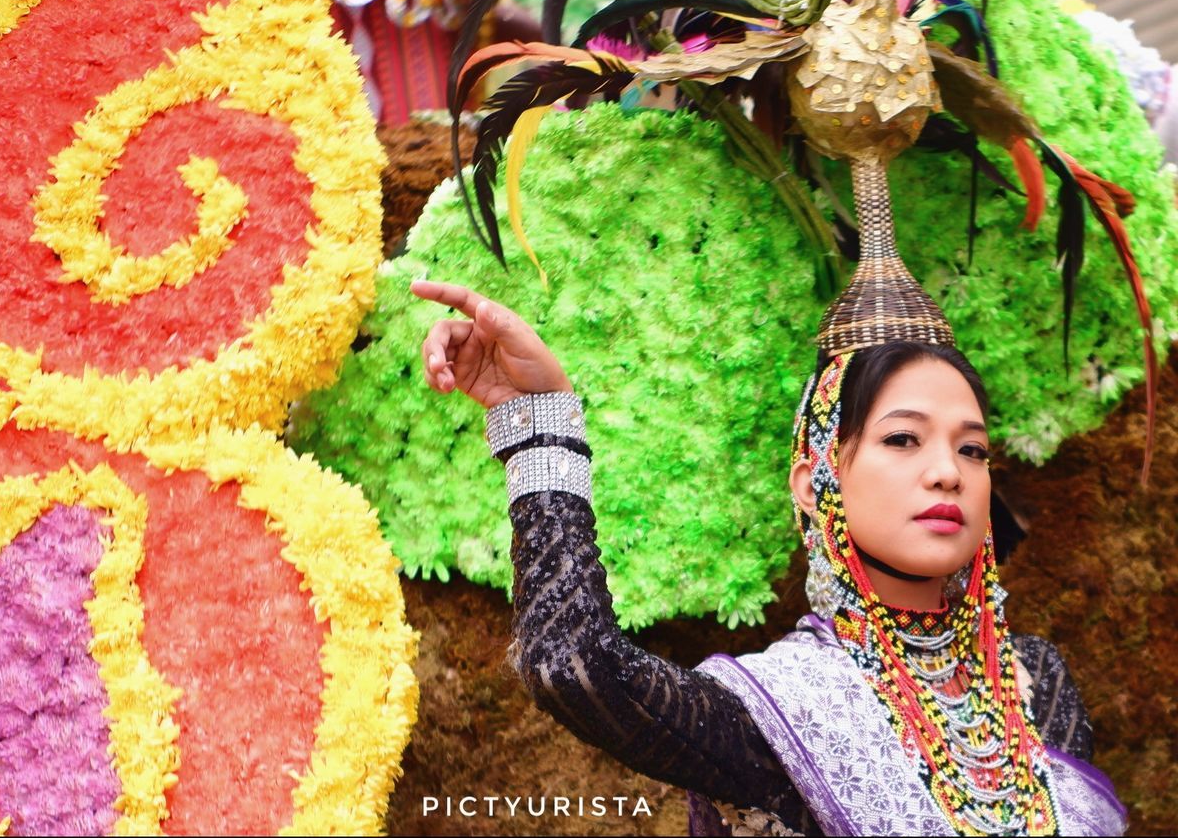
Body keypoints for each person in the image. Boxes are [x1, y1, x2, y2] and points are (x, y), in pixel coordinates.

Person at [408, 271, 1128, 835]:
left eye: (972, 448)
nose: (948, 471)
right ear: (817, 483)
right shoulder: (781, 715)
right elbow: (572, 665)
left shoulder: (1035, 681)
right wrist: (540, 423)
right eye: (903, 439)